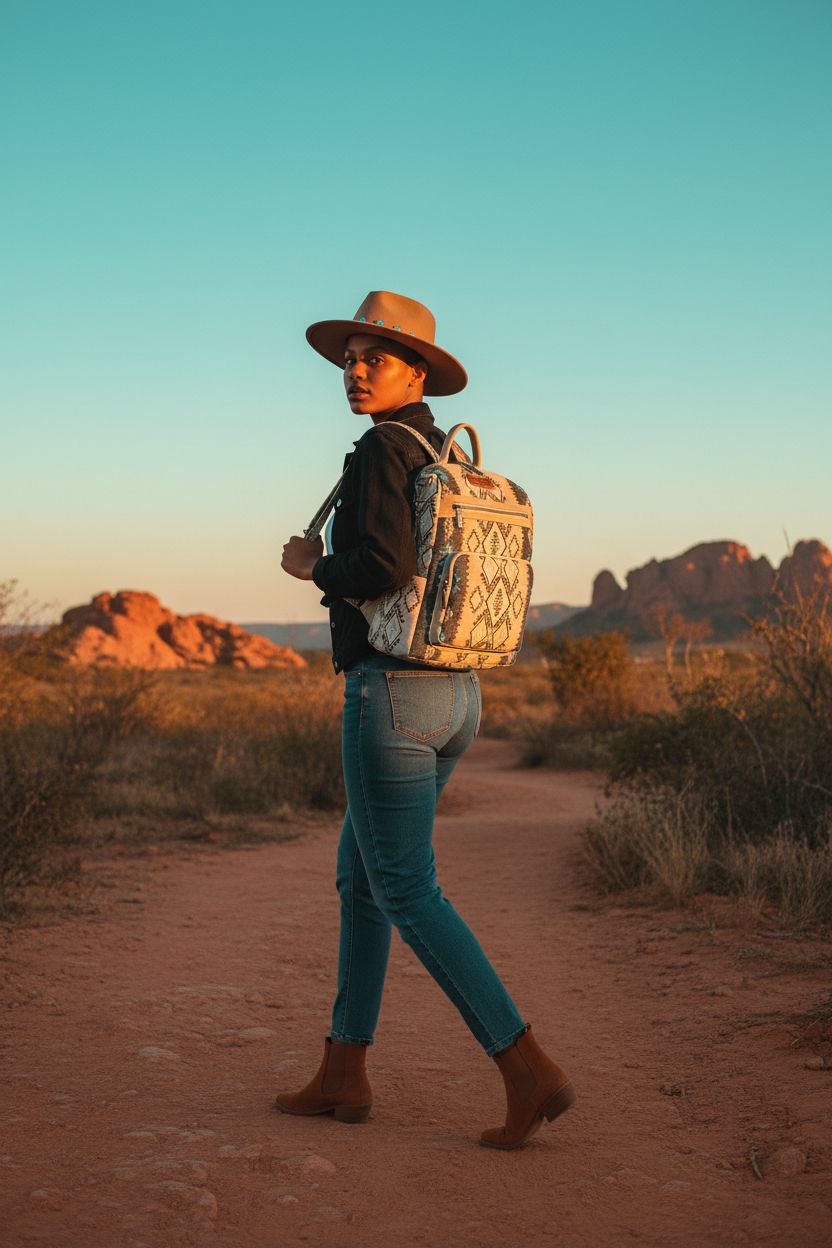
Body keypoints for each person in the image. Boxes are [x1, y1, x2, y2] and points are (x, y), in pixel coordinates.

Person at [276, 290, 575, 1149]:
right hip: (459, 694)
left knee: (404, 885)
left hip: (393, 692)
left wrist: (312, 566)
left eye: (375, 358)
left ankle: (526, 1066)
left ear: (416, 371)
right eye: (349, 358)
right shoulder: (447, 452)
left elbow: (377, 568)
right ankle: (344, 1070)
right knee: (362, 880)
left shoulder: (381, 450)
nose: (355, 371)